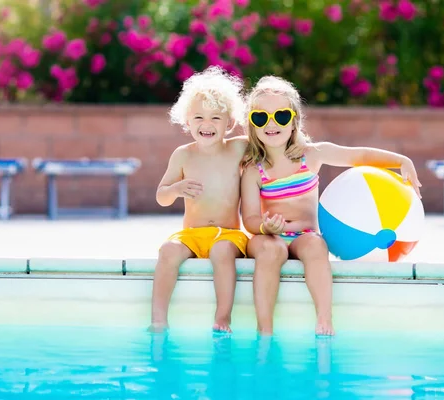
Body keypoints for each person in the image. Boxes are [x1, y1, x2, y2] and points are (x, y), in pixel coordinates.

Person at [240, 76, 422, 336]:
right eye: (261, 117)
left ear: (294, 121)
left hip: (304, 235)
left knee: (316, 246)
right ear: (252, 125)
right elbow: (249, 219)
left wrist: (400, 160)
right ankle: (264, 327)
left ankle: (324, 319)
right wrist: (264, 226)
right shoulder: (253, 170)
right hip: (267, 235)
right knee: (271, 251)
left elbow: (357, 156)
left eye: (280, 115)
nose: (271, 124)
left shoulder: (312, 155)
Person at [149, 66, 249, 333]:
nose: (207, 124)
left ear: (229, 122)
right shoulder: (183, 155)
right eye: (199, 117)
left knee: (221, 253)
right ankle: (158, 319)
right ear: (187, 122)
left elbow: (267, 141)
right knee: (168, 251)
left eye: (216, 117)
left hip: (228, 234)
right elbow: (161, 197)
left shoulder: (238, 147)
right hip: (192, 234)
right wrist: (176, 188)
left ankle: (223, 316)